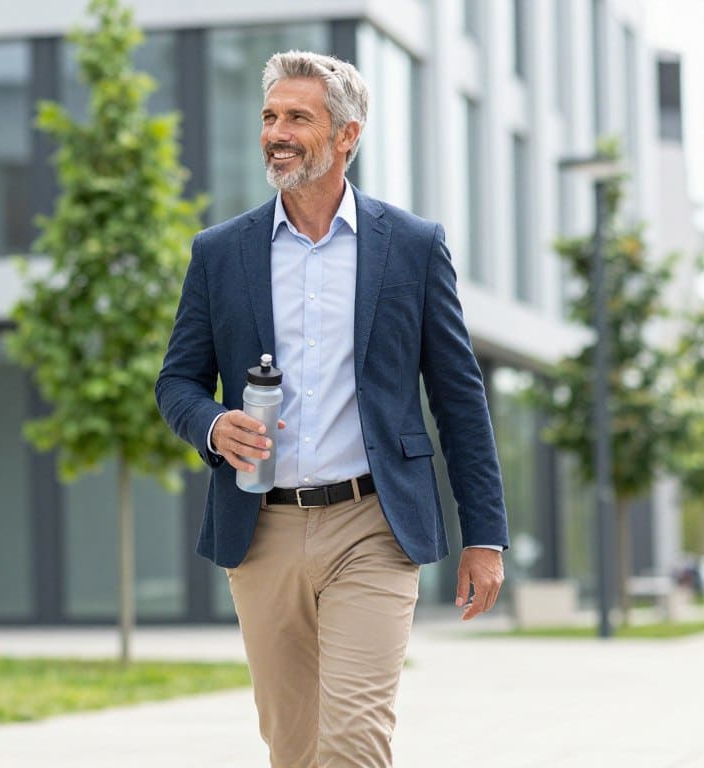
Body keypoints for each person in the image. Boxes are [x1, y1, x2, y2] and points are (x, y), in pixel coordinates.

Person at [155, 50, 509, 768]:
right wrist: (216, 424)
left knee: (352, 739)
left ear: (346, 136)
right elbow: (177, 383)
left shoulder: (410, 247)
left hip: (372, 525)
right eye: (269, 117)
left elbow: (459, 398)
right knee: (293, 745)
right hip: (262, 530)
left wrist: (485, 534)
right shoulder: (221, 253)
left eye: (297, 118)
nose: (276, 133)